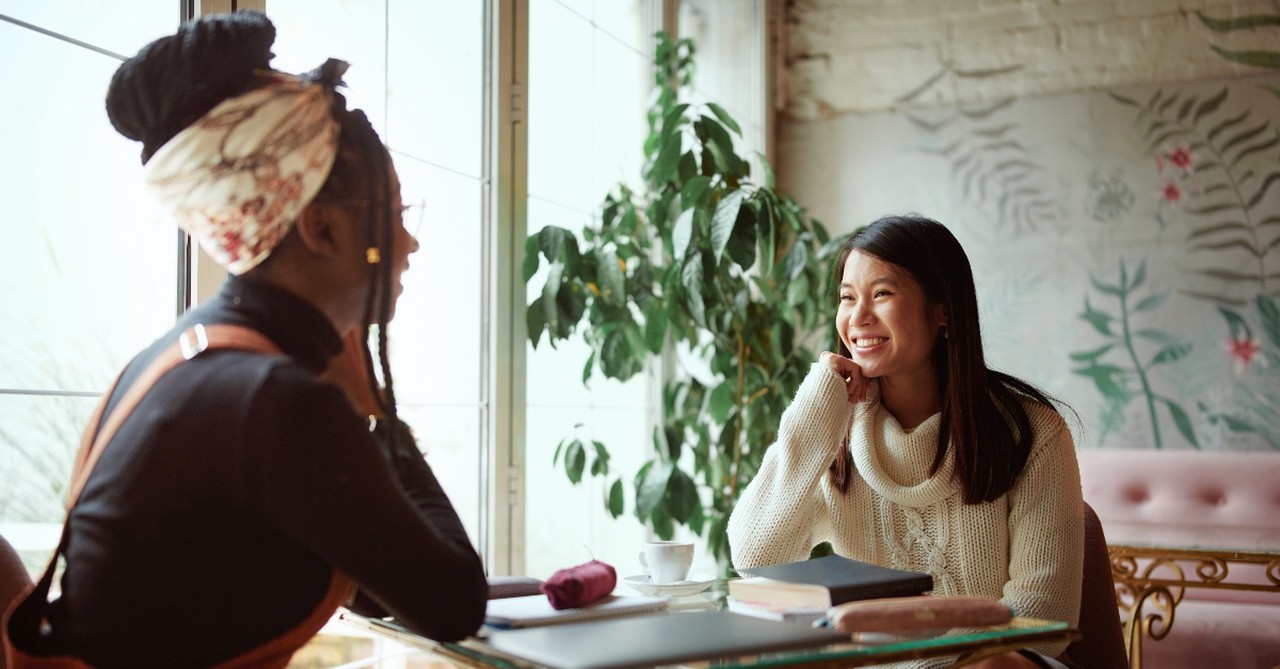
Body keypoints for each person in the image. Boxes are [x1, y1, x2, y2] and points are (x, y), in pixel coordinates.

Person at [11, 11, 488, 667]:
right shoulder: (280, 401)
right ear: (321, 229)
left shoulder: (175, 361)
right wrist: (377, 405)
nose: (410, 242)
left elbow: (380, 584)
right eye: (394, 214)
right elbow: (453, 600)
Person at [727, 214, 1084, 669]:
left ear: (943, 311)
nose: (857, 318)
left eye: (882, 294)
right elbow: (756, 557)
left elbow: (1042, 616)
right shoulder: (834, 429)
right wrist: (816, 410)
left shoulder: (1032, 433)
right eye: (846, 298)